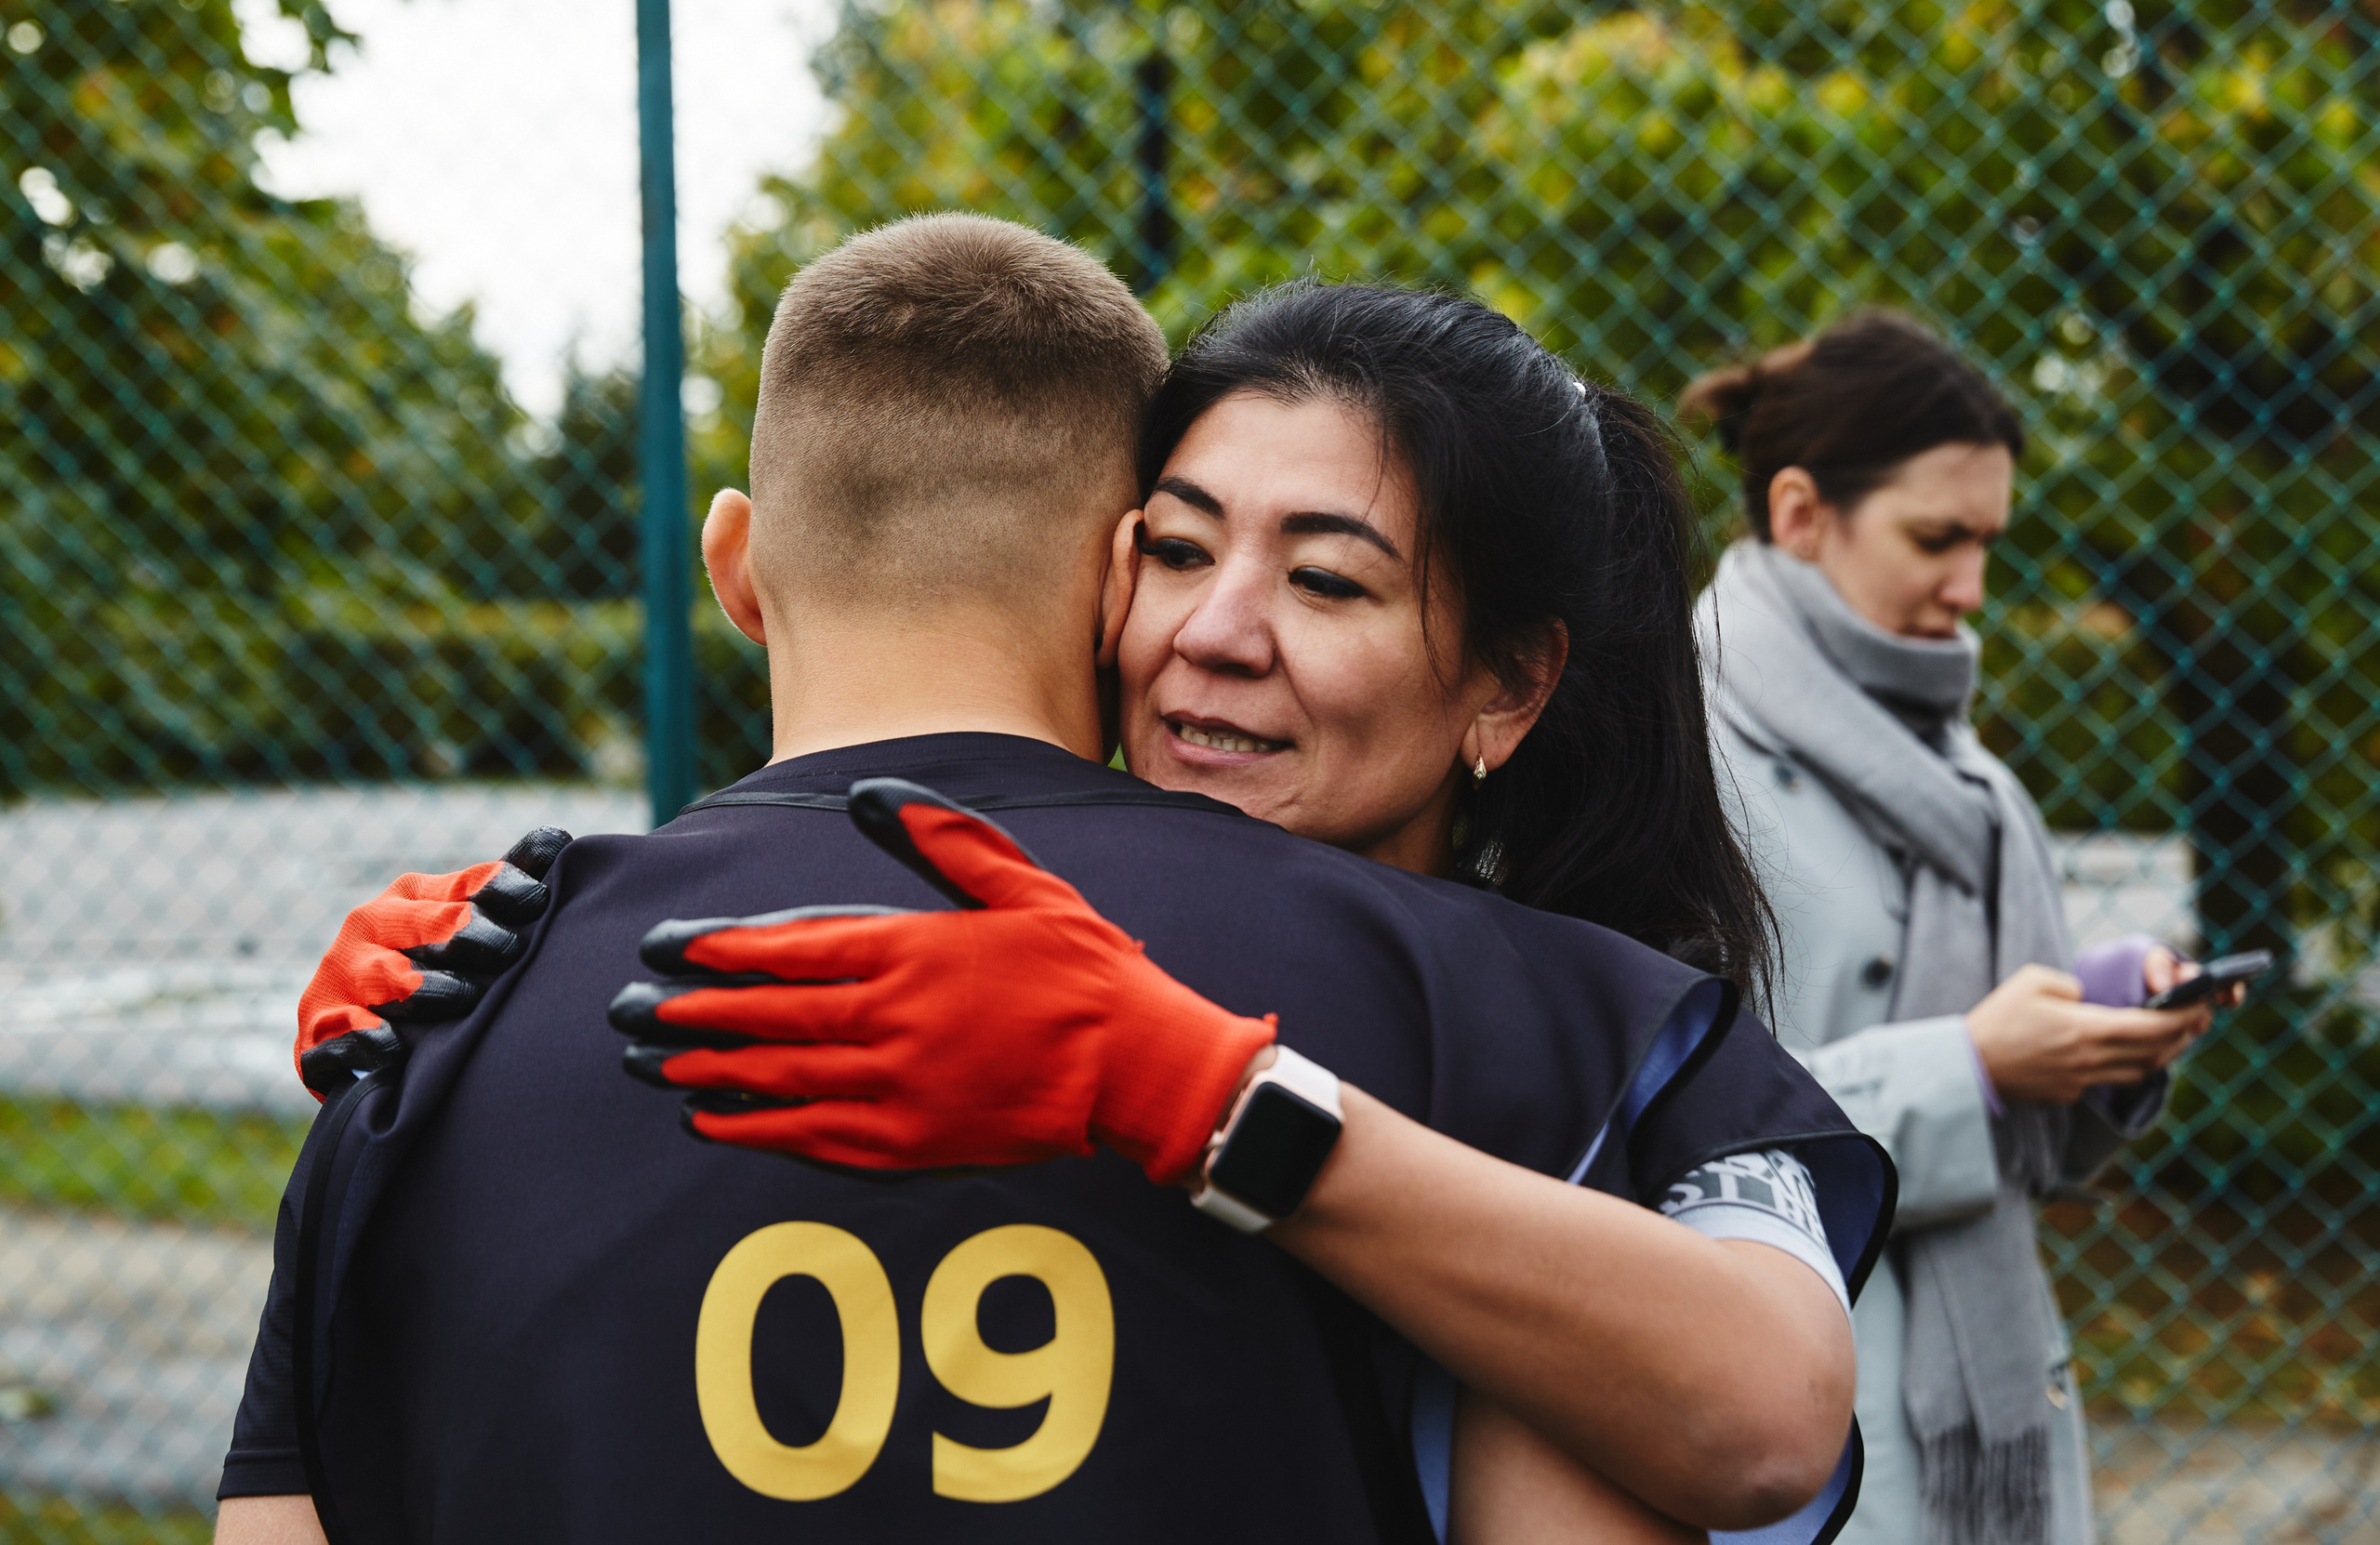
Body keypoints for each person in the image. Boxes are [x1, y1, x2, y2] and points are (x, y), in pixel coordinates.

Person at [219, 225, 1881, 1544]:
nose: (1217, 629)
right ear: (1098, 577)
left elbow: (1758, 1407)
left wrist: (1208, 1092)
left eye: (1326, 579)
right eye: (1176, 549)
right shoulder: (463, 983)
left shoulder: (1558, 1048)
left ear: (1510, 687)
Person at [1681, 311, 2226, 1545]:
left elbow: (2031, 1143)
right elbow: (1659, 1139)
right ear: (1802, 511)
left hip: (1983, 1409)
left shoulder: (1962, 774)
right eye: (1938, 538)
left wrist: (2098, 1017)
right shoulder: (1674, 750)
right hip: (1796, 1423)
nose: (1974, 589)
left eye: (1986, 542)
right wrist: (1969, 1065)